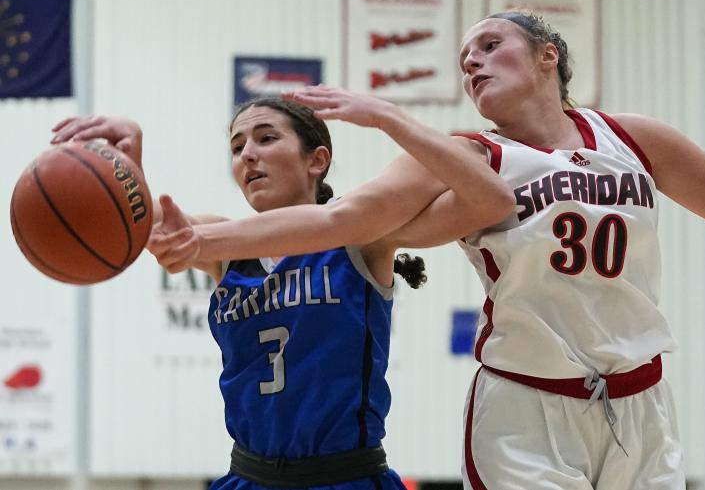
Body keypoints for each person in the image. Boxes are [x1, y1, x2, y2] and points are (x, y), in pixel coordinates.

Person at [144, 12, 705, 490]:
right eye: (463, 61)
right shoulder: (460, 152)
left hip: (640, 397)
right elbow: (337, 219)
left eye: (489, 46)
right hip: (527, 402)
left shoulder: (633, 138)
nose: (471, 63)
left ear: (547, 55)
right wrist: (201, 238)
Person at [50, 94, 514, 490]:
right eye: (237, 147)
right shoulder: (225, 245)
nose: (247, 155)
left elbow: (485, 202)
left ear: (317, 160)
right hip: (248, 476)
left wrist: (391, 118)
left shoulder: (360, 234)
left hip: (343, 475)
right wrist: (128, 164)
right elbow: (149, 227)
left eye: (266, 138)